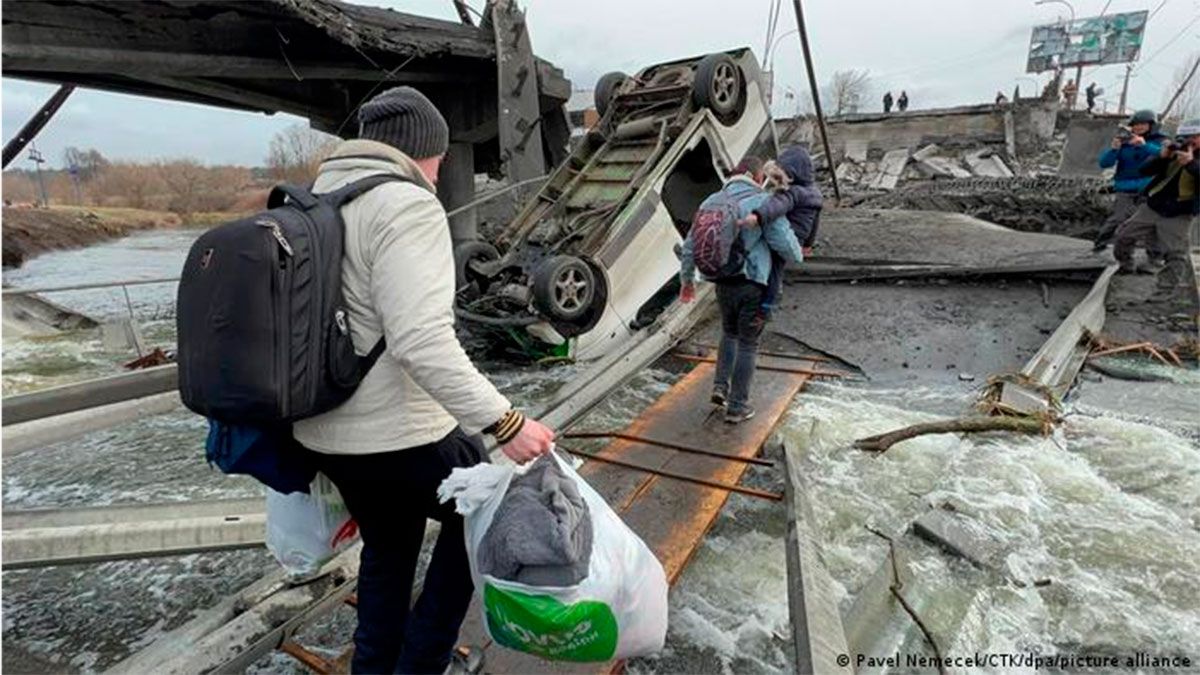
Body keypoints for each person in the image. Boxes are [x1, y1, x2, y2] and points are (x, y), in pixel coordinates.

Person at [292, 86, 556, 674]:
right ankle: (424, 662)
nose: (438, 175)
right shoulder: (405, 203)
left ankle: (376, 667)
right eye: (438, 160)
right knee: (488, 515)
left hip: (323, 434)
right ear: (420, 151)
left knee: (389, 547)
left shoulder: (313, 200)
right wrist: (505, 422)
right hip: (398, 435)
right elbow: (421, 342)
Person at [678, 157, 804, 424]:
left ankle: (720, 387)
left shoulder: (711, 201)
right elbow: (785, 245)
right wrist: (799, 253)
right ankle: (737, 407)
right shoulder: (761, 202)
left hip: (722, 282)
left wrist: (687, 281)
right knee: (748, 343)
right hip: (752, 283)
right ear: (757, 177)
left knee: (729, 333)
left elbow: (690, 247)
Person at [1111, 118, 1200, 311]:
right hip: (1153, 205)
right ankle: (1125, 264)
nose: (1189, 142)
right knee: (1124, 235)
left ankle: (1164, 293)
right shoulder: (1174, 153)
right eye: (1187, 138)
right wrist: (1162, 157)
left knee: (1175, 254)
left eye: (1194, 137)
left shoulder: (1193, 159)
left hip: (1179, 212)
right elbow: (1144, 170)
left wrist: (1191, 164)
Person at [735, 145, 822, 319]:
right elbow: (815, 222)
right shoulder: (815, 193)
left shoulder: (794, 193)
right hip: (799, 237)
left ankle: (765, 306)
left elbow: (777, 205)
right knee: (777, 269)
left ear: (793, 173)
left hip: (788, 234)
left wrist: (758, 216)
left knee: (772, 267)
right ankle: (768, 303)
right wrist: (808, 244)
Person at [1094, 109, 1167, 254]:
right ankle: (1099, 244)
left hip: (1149, 188)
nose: (1138, 127)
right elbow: (1104, 163)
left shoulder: (1160, 141)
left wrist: (1144, 145)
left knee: (1150, 223)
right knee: (1118, 218)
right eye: (1135, 125)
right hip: (1125, 187)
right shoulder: (1124, 142)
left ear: (1151, 125)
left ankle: (1154, 257)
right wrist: (1114, 149)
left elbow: (1164, 156)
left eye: (1142, 124)